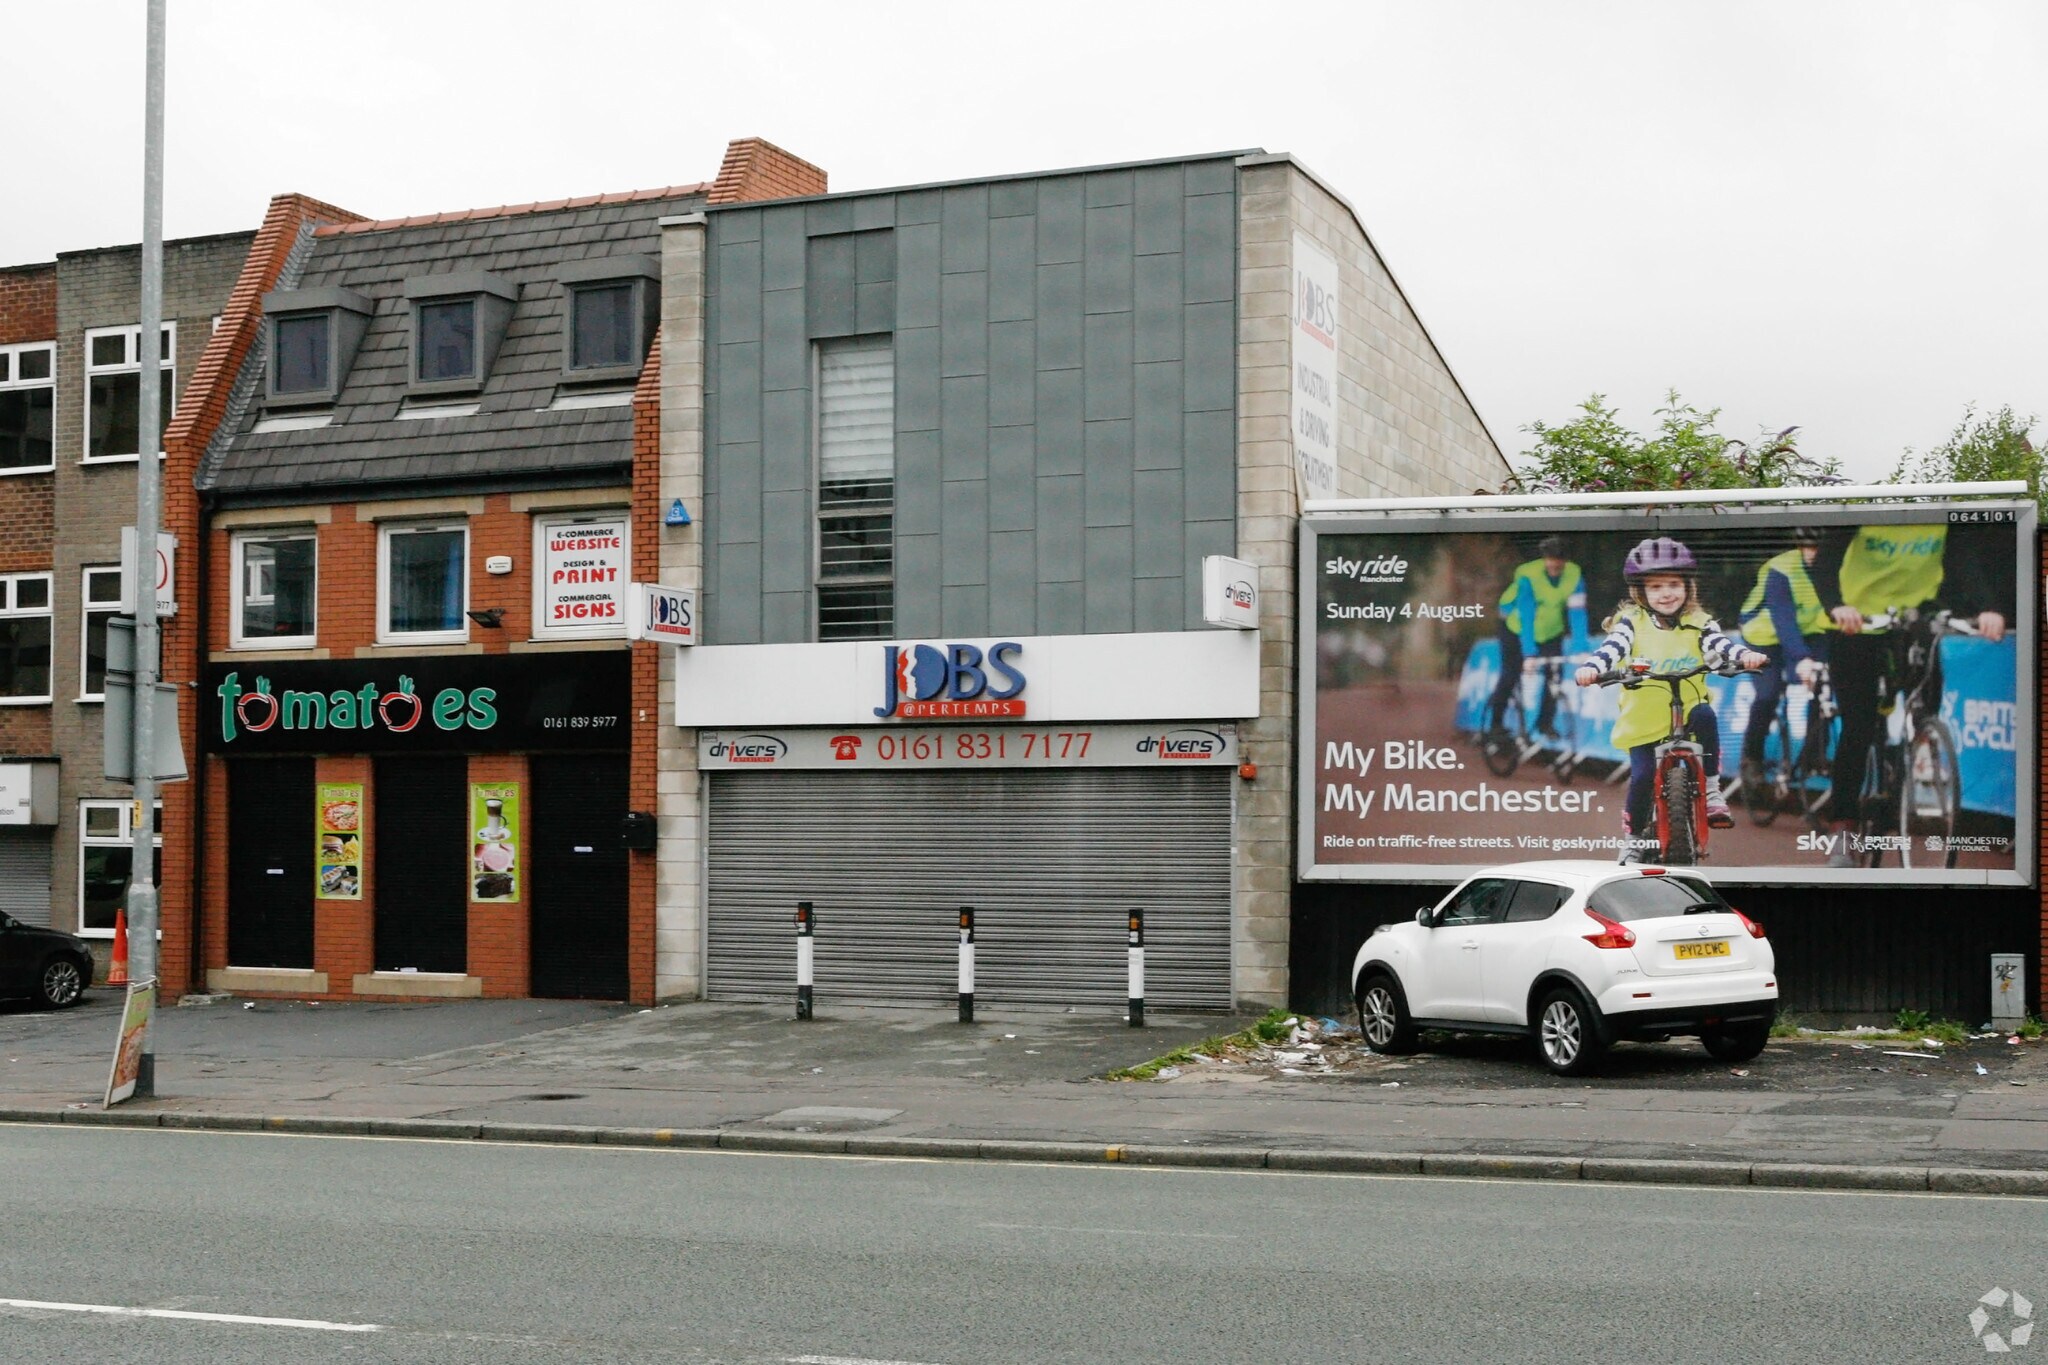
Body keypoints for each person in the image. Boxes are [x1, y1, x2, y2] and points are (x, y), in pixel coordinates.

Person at [1807, 521, 2012, 867]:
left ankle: (1917, 748)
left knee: (1924, 708)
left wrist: (1986, 607)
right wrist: (1835, 605)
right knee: (1858, 727)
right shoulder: (1864, 509)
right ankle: (1842, 830)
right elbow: (1825, 561)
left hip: (1915, 621)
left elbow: (1965, 562)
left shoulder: (1942, 514)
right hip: (1856, 625)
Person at [1575, 536, 1767, 856]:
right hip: (1644, 719)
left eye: (1674, 584)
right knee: (1641, 779)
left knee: (1706, 714)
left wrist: (1745, 655)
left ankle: (1712, 791)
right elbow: (1611, 650)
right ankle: (1635, 841)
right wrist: (1591, 669)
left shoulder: (1700, 622)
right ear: (1641, 592)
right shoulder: (1631, 624)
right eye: (1656, 587)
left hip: (1689, 709)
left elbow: (1722, 647)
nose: (1666, 593)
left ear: (1688, 587)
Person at [1736, 527, 1831, 789]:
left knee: (1822, 685)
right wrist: (1801, 657)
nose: (1815, 554)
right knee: (1768, 692)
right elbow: (1783, 618)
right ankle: (1751, 757)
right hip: (1764, 634)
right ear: (1800, 546)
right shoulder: (1781, 569)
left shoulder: (1836, 567)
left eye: (1819, 548)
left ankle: (1814, 755)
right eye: (1809, 547)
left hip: (1811, 630)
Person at [1486, 535, 1588, 737]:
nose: (1554, 564)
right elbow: (1526, 615)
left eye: (1559, 560)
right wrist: (1530, 654)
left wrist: (1581, 649)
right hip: (1516, 628)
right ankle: (1495, 725)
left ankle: (1545, 724)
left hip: (1551, 631)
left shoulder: (1574, 575)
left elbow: (1577, 614)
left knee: (1554, 675)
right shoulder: (1527, 575)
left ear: (1566, 561)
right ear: (1544, 558)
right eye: (1550, 559)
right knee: (1510, 674)